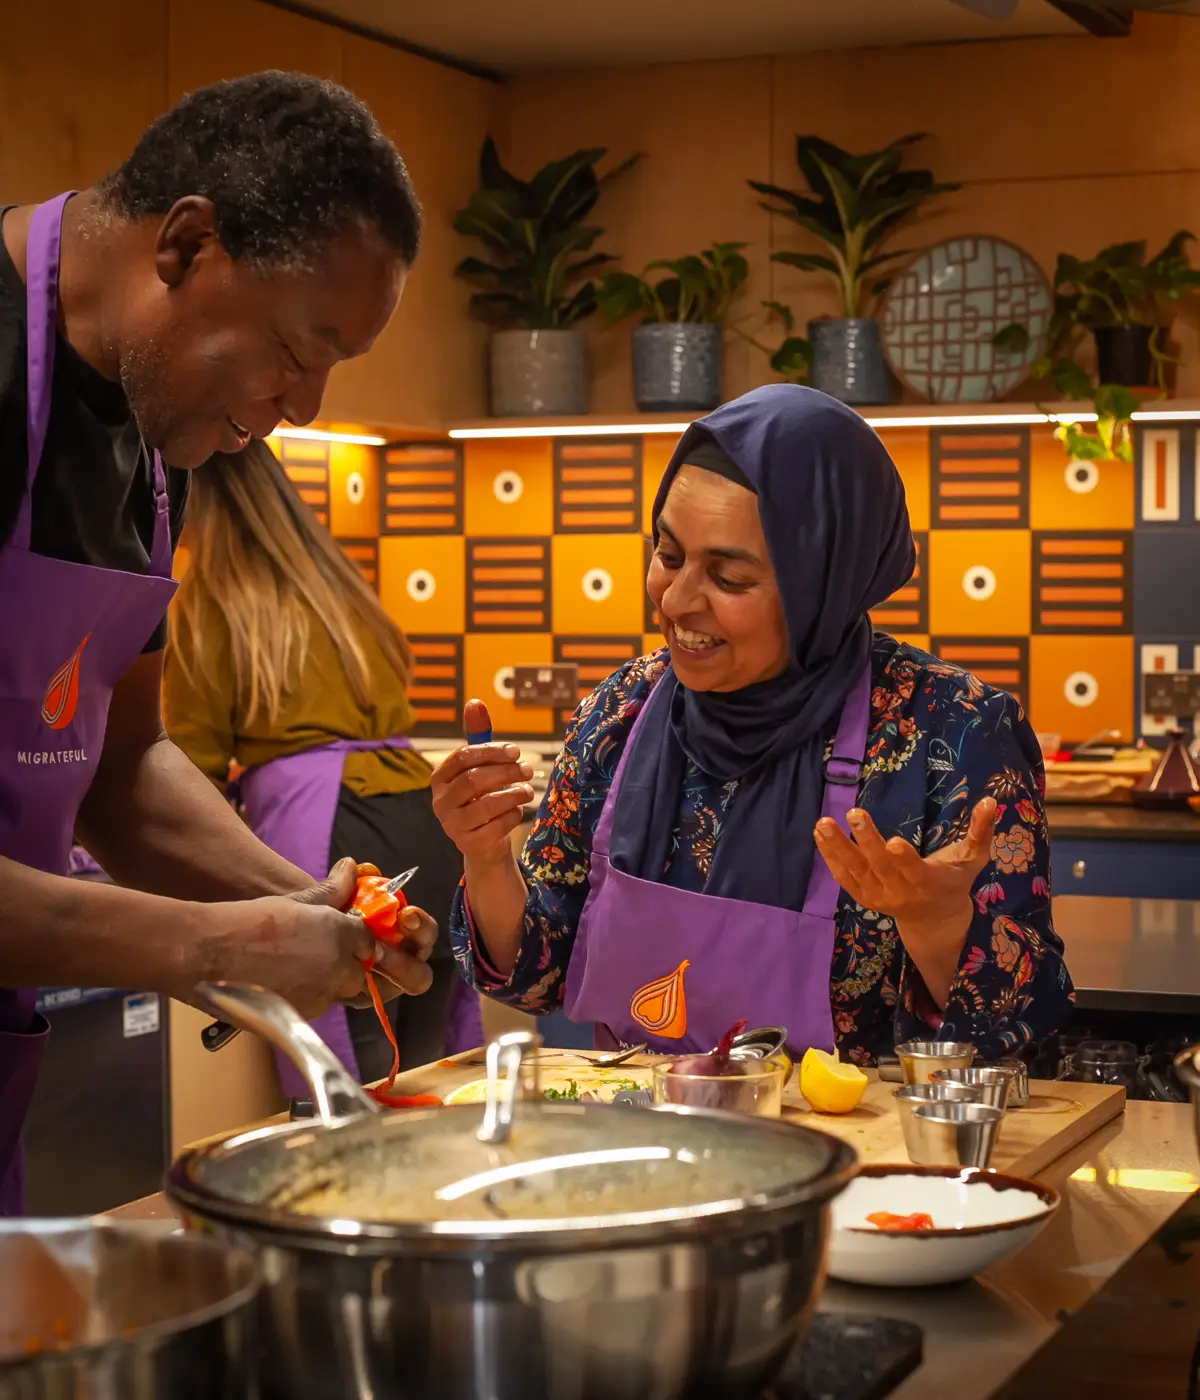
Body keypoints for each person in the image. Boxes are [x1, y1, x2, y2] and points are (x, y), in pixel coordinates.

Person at [0, 71, 437, 1214]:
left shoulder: (158, 452)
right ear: (187, 244)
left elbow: (123, 768)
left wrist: (312, 906)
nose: (306, 406)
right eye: (297, 349)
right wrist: (215, 947)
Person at [434, 384, 1074, 1065]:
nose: (677, 601)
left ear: (822, 583)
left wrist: (939, 923)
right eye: (669, 555)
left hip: (861, 1132)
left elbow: (1017, 1031)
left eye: (729, 578)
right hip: (640, 1125)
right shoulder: (623, 710)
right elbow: (535, 976)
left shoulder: (955, 730)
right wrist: (486, 856)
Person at [164, 441, 482, 1094]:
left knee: (351, 1093)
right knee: (424, 1080)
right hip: (425, 826)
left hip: (339, 837)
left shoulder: (208, 603)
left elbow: (186, 770)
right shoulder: (341, 587)